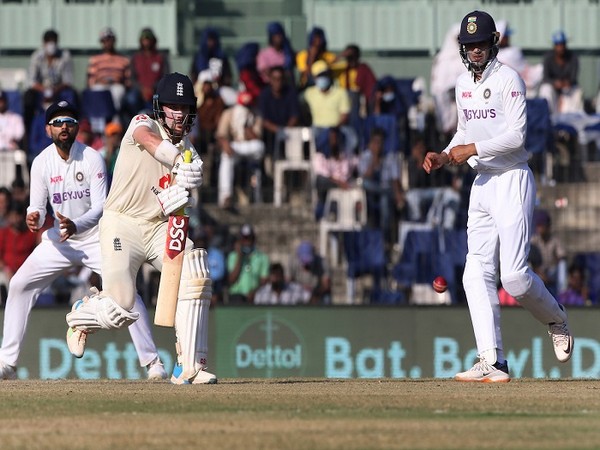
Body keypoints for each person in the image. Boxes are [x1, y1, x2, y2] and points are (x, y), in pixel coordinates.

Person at [422, 10, 573, 383]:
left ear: (494, 43)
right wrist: (444, 154)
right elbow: (463, 132)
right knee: (475, 273)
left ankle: (556, 319)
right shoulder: (461, 85)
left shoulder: (510, 80)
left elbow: (517, 137)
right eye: (468, 45)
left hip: (512, 179)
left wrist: (471, 146)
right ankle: (492, 361)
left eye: (480, 43)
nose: (474, 50)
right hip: (482, 184)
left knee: (516, 278)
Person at [64, 72, 216, 385]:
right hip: (123, 224)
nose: (178, 113)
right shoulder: (141, 122)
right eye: (172, 105)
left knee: (196, 269)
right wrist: (178, 161)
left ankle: (189, 365)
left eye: (184, 106)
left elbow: (180, 201)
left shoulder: (190, 152)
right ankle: (83, 313)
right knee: (123, 306)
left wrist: (187, 186)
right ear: (161, 107)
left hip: (158, 229)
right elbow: (150, 141)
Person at [0, 100, 166, 381]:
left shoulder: (91, 158)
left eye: (69, 122)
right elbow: (37, 207)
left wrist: (76, 224)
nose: (64, 127)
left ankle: (152, 363)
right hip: (59, 241)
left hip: (94, 239)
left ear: (77, 128)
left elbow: (101, 206)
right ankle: (7, 363)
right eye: (57, 122)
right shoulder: (41, 162)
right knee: (19, 285)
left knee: (126, 293)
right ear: (48, 130)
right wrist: (35, 218)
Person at [215, 91, 265, 209]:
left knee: (260, 146)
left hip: (251, 150)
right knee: (226, 157)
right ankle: (226, 196)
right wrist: (225, 144)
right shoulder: (228, 113)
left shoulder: (256, 114)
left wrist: (247, 127)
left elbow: (257, 138)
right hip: (234, 149)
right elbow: (221, 135)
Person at [23, 29, 76, 139]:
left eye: (53, 41)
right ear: (44, 43)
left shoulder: (65, 56)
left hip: (59, 90)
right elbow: (31, 81)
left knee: (72, 95)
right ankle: (27, 132)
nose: (51, 44)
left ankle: (72, 125)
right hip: (40, 91)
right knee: (28, 97)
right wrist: (44, 89)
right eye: (48, 41)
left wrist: (55, 89)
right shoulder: (37, 56)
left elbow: (68, 80)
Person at [357, 127, 404, 242]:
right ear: (370, 143)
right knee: (365, 184)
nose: (378, 146)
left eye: (380, 142)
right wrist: (374, 159)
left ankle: (384, 239)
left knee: (384, 201)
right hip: (369, 193)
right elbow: (365, 177)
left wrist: (398, 194)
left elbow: (395, 179)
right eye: (375, 142)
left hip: (385, 192)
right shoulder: (365, 156)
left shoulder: (390, 157)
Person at [86, 27, 132, 119]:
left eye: (110, 40)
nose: (108, 43)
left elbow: (128, 79)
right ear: (102, 42)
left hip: (116, 85)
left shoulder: (123, 59)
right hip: (100, 85)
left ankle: (114, 123)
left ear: (114, 41)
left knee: (117, 93)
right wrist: (100, 82)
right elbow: (91, 79)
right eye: (105, 41)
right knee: (97, 92)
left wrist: (120, 83)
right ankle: (100, 123)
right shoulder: (95, 59)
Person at [258, 65, 300, 159]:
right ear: (270, 80)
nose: (277, 82)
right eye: (274, 79)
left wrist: (285, 131)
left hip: (289, 131)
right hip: (269, 133)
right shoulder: (264, 95)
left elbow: (295, 116)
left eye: (280, 79)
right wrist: (278, 131)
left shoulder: (290, 93)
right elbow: (263, 119)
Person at [538, 31, 583, 115]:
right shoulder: (548, 57)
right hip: (553, 87)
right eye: (558, 44)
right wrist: (555, 83)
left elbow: (573, 78)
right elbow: (545, 77)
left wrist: (565, 83)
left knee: (577, 91)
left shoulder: (573, 57)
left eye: (562, 44)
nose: (560, 47)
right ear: (554, 45)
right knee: (545, 89)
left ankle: (571, 120)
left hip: (568, 88)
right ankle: (548, 117)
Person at [495, 20, 543, 97]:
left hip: (525, 85)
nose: (508, 38)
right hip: (512, 88)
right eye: (506, 36)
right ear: (501, 38)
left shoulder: (512, 50)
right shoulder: (511, 52)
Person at [226, 223, 270, 304]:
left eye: (249, 239)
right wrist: (239, 257)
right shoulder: (233, 256)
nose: (247, 242)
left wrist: (254, 292)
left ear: (254, 239)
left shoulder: (263, 257)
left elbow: (264, 281)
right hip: (236, 296)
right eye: (244, 239)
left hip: (255, 297)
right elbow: (232, 279)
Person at [129, 27, 170, 111]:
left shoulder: (161, 57)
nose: (146, 41)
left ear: (153, 40)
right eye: (144, 39)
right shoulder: (136, 57)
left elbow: (165, 76)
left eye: (148, 38)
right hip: (139, 90)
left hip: (156, 90)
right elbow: (132, 78)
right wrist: (142, 89)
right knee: (130, 99)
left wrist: (153, 88)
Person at [530, 208, 567, 297]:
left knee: (562, 264)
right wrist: (541, 273)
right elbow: (531, 260)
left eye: (542, 225)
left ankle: (562, 293)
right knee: (527, 264)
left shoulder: (554, 240)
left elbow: (562, 256)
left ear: (548, 226)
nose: (540, 228)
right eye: (538, 225)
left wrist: (550, 272)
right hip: (538, 272)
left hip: (551, 272)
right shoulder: (534, 240)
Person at [288, 240, 332, 305]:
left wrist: (315, 295)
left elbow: (326, 285)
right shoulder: (292, 262)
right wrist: (300, 288)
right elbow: (288, 281)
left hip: (317, 292)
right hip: (298, 291)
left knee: (326, 298)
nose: (306, 265)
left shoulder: (322, 263)